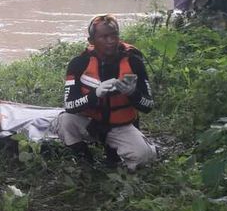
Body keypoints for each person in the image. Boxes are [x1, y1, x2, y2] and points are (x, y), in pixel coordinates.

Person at [59, 14, 158, 170]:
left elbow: (149, 105)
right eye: (104, 37)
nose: (111, 41)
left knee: (144, 156)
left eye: (114, 35)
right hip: (91, 123)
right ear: (91, 41)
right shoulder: (78, 63)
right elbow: (69, 105)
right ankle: (85, 161)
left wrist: (133, 93)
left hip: (121, 126)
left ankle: (131, 149)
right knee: (65, 121)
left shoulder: (134, 61)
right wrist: (94, 94)